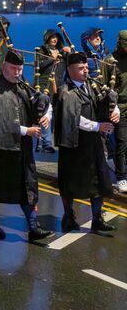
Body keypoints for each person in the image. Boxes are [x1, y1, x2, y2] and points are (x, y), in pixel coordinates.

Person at [0, 50, 55, 242]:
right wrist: (25, 131)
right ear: (4, 68)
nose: (18, 72)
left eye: (20, 69)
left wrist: (46, 116)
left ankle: (33, 226)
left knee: (27, 186)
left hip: (22, 149)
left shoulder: (23, 87)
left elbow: (45, 103)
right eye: (14, 68)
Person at [55, 51, 119, 232]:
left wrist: (115, 112)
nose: (85, 71)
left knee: (98, 180)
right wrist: (97, 126)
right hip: (73, 145)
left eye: (86, 67)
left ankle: (97, 219)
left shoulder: (91, 86)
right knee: (71, 183)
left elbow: (105, 104)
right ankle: (68, 217)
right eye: (80, 68)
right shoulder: (65, 92)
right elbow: (74, 118)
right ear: (70, 69)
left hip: (93, 144)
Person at [35, 29, 70, 153]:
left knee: (55, 115)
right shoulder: (41, 50)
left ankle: (54, 141)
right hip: (45, 84)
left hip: (59, 85)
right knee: (46, 114)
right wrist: (52, 59)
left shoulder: (62, 52)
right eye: (52, 37)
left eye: (56, 37)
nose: (54, 39)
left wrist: (69, 53)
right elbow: (39, 67)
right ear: (47, 38)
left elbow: (70, 66)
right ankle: (47, 144)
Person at [109, 31, 127, 193]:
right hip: (119, 108)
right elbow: (107, 87)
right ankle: (121, 177)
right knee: (121, 143)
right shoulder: (111, 61)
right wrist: (112, 106)